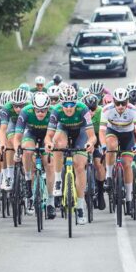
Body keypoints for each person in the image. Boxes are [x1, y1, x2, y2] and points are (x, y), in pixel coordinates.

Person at [45, 86, 97, 225]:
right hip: (64, 130)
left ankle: (80, 207)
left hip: (80, 132)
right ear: (61, 104)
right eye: (65, 105)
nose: (68, 108)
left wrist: (90, 143)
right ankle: (58, 180)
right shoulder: (56, 110)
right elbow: (48, 136)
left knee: (80, 166)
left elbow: (92, 136)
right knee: (58, 143)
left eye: (71, 104)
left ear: (76, 102)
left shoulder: (83, 109)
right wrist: (49, 144)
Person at [99, 88, 136, 216]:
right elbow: (101, 131)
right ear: (114, 102)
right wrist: (104, 146)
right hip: (113, 132)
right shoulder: (106, 110)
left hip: (128, 135)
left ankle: (128, 200)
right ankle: (109, 177)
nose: (121, 106)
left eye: (123, 103)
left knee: (127, 164)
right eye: (118, 103)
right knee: (111, 145)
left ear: (127, 101)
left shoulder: (134, 110)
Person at [15, 92, 56, 214]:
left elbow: (58, 134)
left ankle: (50, 201)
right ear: (33, 108)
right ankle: (28, 179)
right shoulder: (26, 111)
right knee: (27, 150)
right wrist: (17, 150)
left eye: (43, 110)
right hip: (31, 133)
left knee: (49, 164)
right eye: (37, 110)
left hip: (47, 136)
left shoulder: (54, 112)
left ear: (48, 108)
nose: (40, 113)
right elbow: (17, 136)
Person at [82, 93, 106, 210]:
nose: (91, 112)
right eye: (88, 109)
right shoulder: (81, 112)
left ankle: (100, 192)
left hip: (97, 139)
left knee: (98, 164)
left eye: (93, 109)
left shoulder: (101, 112)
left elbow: (105, 131)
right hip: (83, 139)